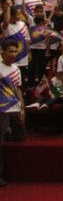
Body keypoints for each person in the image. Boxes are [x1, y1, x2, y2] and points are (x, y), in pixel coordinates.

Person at [0, 39, 24, 186]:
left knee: (21, 136)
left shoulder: (16, 69)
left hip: (15, 107)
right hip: (2, 108)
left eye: (15, 51)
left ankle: (7, 131)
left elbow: (18, 89)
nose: (13, 54)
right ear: (2, 52)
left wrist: (22, 108)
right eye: (10, 51)